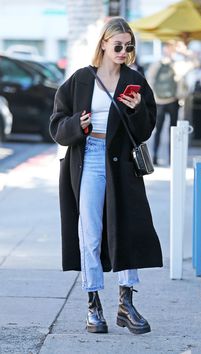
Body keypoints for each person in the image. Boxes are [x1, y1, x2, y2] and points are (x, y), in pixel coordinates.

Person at [49, 17, 163, 335]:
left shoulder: (135, 81)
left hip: (121, 165)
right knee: (91, 233)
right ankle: (93, 304)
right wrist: (78, 125)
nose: (124, 51)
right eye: (118, 45)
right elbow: (57, 124)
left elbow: (144, 130)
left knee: (125, 228)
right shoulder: (80, 80)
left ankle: (126, 303)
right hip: (88, 160)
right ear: (103, 44)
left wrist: (138, 108)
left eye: (129, 46)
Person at [148, 41, 198, 165]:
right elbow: (196, 63)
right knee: (173, 130)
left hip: (159, 101)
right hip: (172, 101)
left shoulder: (156, 64)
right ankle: (172, 158)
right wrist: (186, 52)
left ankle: (155, 156)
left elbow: (149, 80)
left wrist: (154, 95)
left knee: (158, 130)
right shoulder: (177, 65)